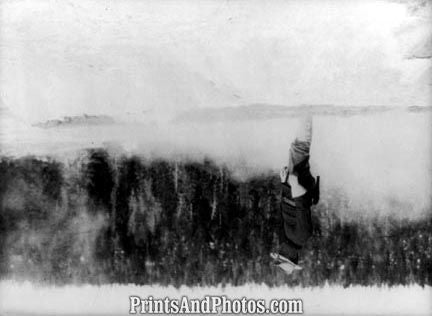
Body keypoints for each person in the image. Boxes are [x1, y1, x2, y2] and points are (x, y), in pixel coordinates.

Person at [272, 115, 319, 267]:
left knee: (296, 147)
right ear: (291, 255)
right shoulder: (301, 236)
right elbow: (301, 203)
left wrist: (284, 182)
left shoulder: (289, 237)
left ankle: (305, 108)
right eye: (282, 254)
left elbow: (286, 208)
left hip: (293, 179)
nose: (280, 249)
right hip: (298, 179)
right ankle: (307, 107)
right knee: (300, 147)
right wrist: (293, 182)